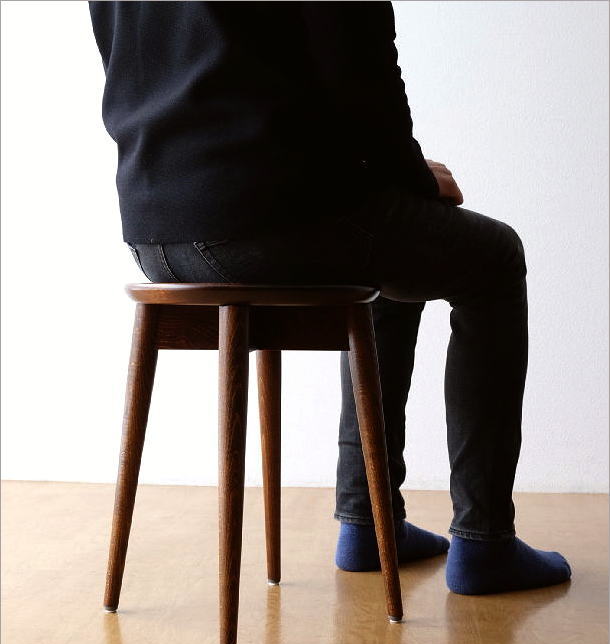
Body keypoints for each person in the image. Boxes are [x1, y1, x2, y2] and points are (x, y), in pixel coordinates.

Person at [89, 1, 571, 594]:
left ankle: (369, 524)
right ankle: (485, 542)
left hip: (153, 231)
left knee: (391, 245)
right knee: (495, 258)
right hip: (270, 219)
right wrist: (415, 179)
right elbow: (362, 74)